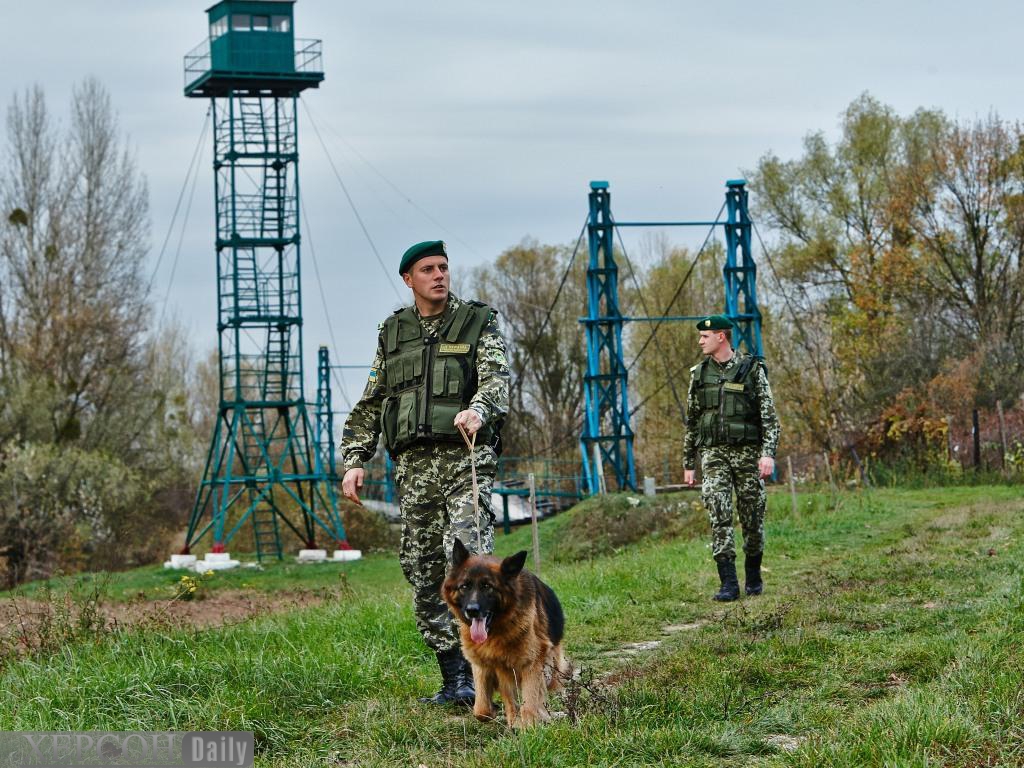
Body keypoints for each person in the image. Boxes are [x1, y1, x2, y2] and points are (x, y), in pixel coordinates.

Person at [340, 239, 509, 705]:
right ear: (408, 279)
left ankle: (491, 671)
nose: (439, 275)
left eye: (444, 267)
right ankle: (454, 678)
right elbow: (372, 402)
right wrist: (355, 460)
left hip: (465, 459)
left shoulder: (477, 321)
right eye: (428, 269)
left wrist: (478, 408)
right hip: (413, 470)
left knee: (472, 561)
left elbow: (496, 378)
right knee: (425, 569)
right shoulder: (393, 332)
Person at [682, 315, 780, 601]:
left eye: (705, 336)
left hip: (748, 453)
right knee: (718, 508)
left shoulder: (751, 369)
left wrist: (767, 454)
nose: (700, 341)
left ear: (721, 336)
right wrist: (689, 462)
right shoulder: (699, 374)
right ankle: (728, 583)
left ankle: (753, 574)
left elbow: (769, 418)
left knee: (752, 515)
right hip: (714, 453)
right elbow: (693, 421)